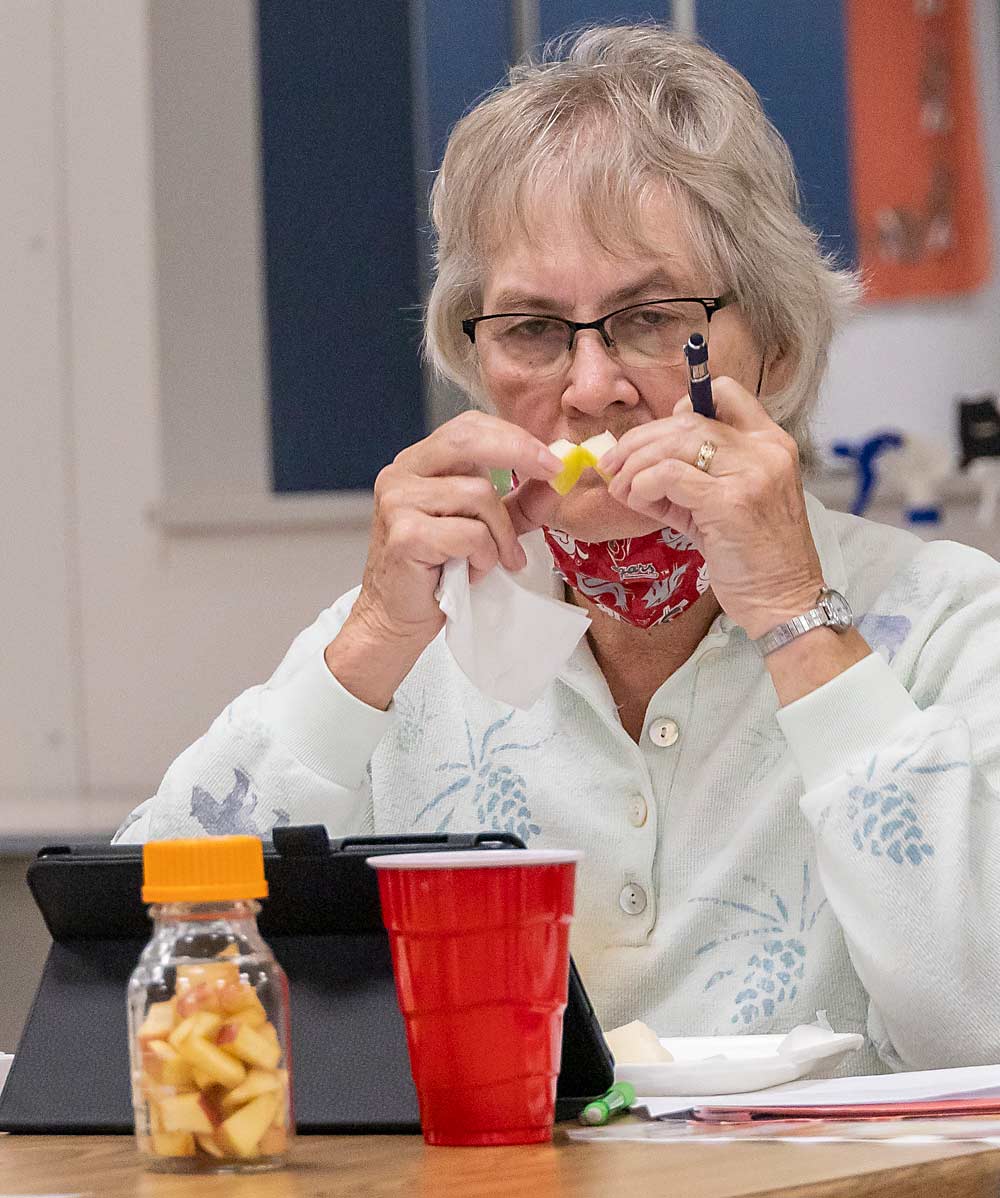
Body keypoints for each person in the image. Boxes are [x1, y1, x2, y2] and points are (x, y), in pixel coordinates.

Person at [116, 25, 1000, 1074]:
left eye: (648, 318)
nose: (588, 388)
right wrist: (366, 644)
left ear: (780, 345)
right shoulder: (417, 643)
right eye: (532, 327)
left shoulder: (948, 621)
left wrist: (791, 607)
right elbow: (138, 993)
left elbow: (979, 1025)